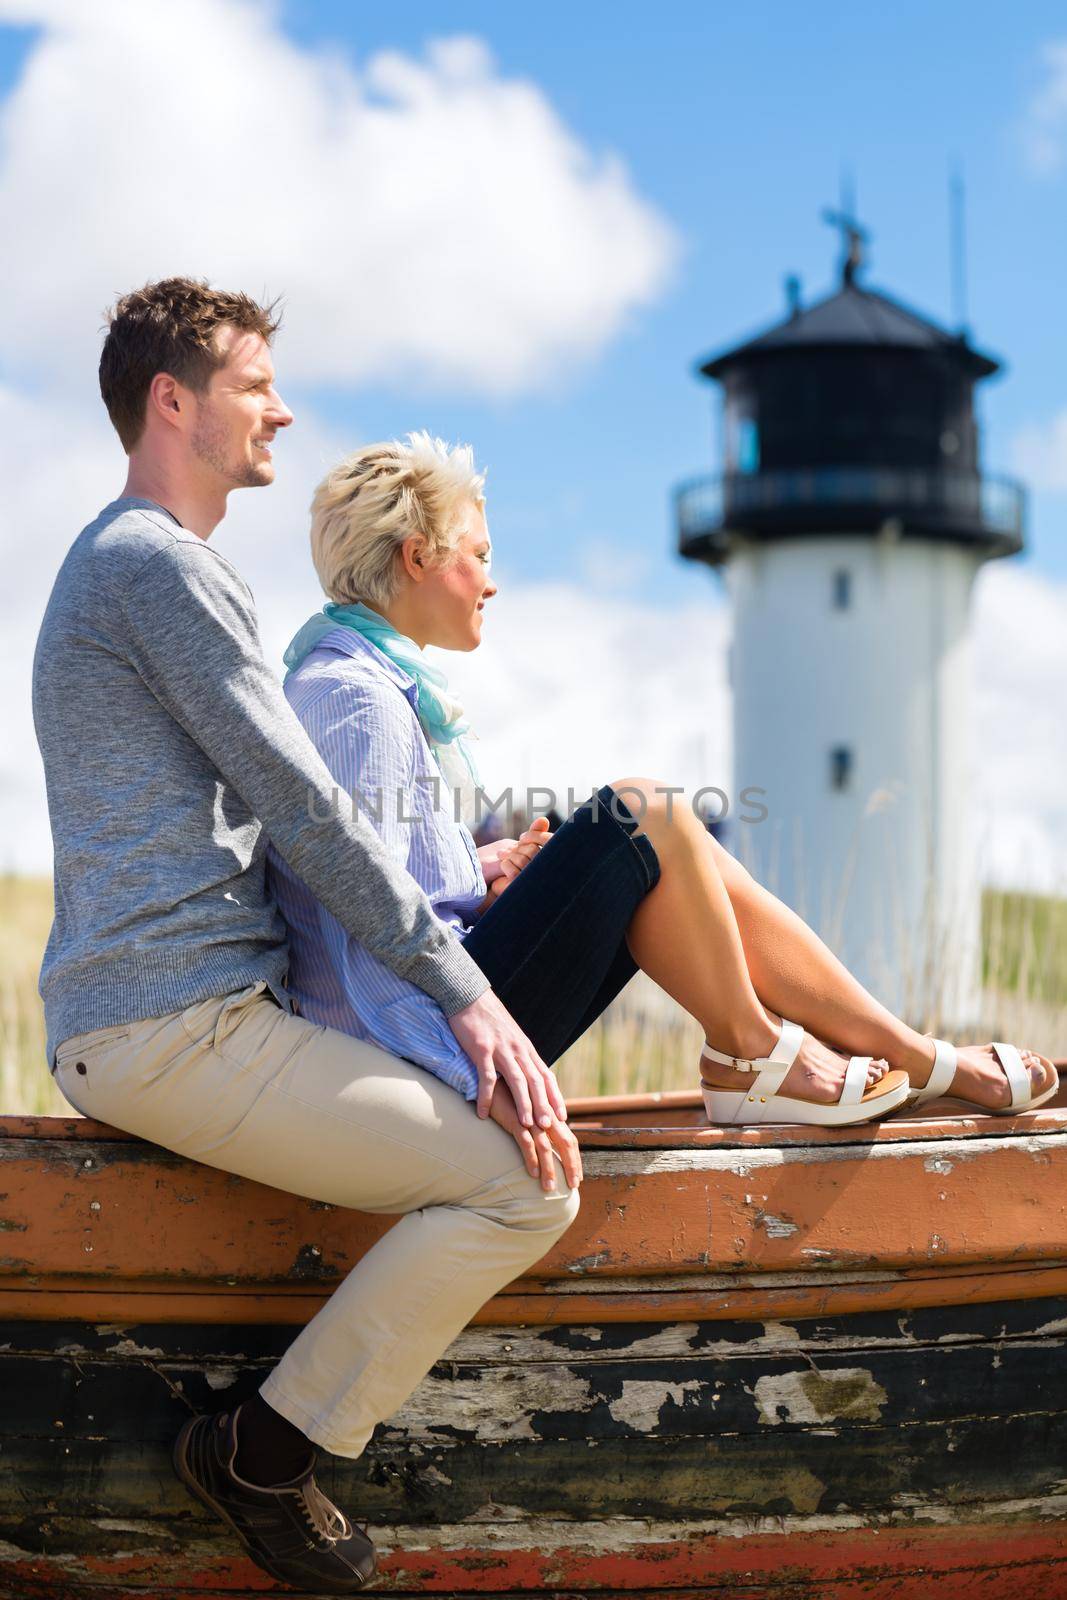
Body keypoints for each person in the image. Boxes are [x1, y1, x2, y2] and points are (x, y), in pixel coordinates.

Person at [33, 280, 580, 1598]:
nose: (279, 407)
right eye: (251, 384)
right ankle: (262, 1454)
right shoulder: (155, 567)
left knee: (507, 1156)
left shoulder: (146, 564)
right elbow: (309, 810)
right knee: (525, 1184)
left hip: (179, 1018)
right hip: (174, 1025)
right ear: (175, 402)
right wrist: (465, 998)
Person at [269, 431, 1060, 1143]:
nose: (492, 582)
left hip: (430, 1019)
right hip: (421, 1044)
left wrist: (485, 870)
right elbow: (365, 925)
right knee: (642, 811)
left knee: (672, 845)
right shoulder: (353, 698)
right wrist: (487, 891)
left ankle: (907, 1054)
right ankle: (753, 1052)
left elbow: (379, 878)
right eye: (478, 555)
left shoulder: (364, 685)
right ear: (416, 557)